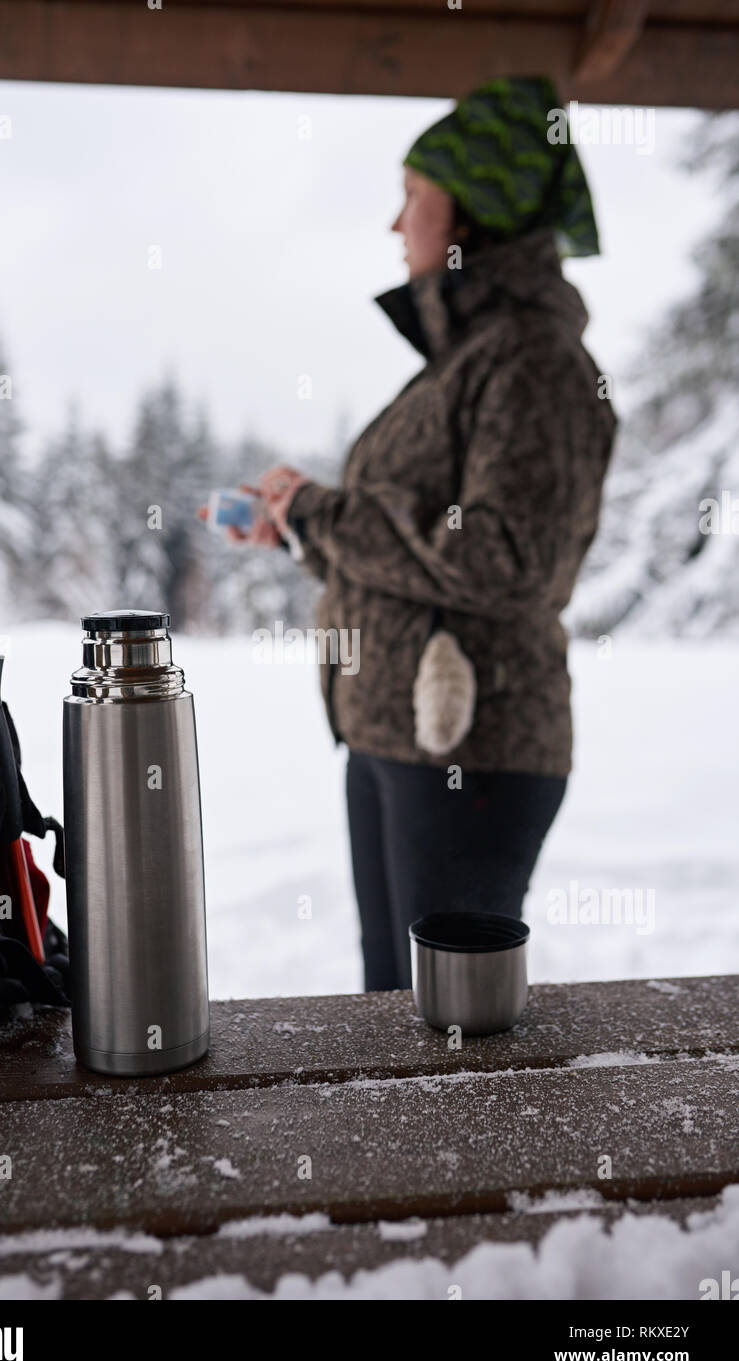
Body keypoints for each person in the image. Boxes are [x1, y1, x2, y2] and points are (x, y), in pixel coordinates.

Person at [232, 75, 616, 991]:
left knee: (447, 1042)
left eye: (412, 197)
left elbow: (506, 557)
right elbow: (422, 551)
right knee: (396, 1007)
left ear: (472, 216)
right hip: (395, 735)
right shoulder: (468, 360)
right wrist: (297, 530)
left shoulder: (530, 362)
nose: (394, 224)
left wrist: (324, 509)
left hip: (467, 748)